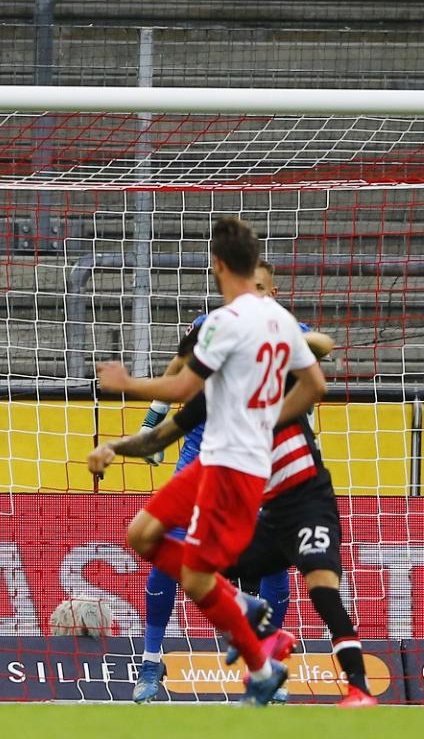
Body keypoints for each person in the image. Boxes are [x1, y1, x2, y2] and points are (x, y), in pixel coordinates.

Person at [89, 218, 325, 706]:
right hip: (211, 459)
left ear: (217, 266)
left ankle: (259, 661)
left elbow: (181, 389)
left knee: (197, 577)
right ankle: (249, 612)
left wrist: (125, 382)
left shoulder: (224, 323)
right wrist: (269, 419)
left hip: (234, 469)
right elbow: (316, 386)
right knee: (142, 535)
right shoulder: (278, 322)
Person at [106, 285, 377, 708]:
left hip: (275, 479)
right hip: (209, 461)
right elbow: (178, 375)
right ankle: (157, 658)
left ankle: (284, 665)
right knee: (161, 545)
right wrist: (145, 425)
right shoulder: (209, 336)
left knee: (299, 574)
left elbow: (321, 353)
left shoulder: (281, 343)